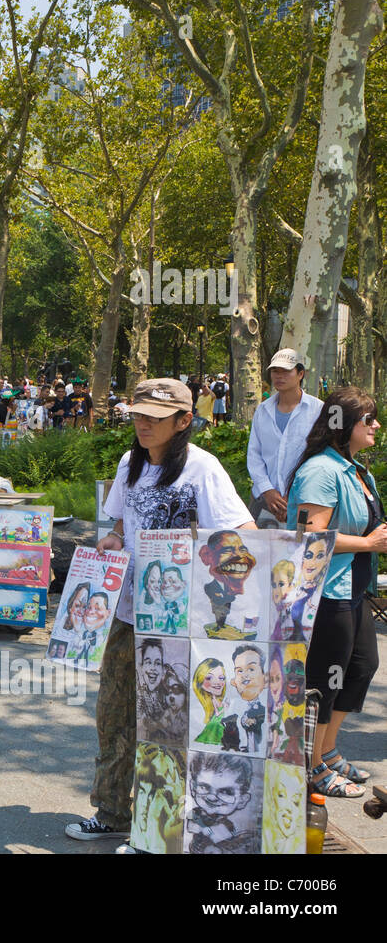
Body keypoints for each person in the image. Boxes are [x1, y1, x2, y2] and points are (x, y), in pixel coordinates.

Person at [66, 377, 254, 845]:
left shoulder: (202, 469)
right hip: (128, 613)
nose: (144, 424)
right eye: (138, 414)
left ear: (184, 420)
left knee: (167, 722)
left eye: (155, 416)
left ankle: (162, 825)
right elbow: (121, 521)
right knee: (113, 714)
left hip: (179, 625)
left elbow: (242, 534)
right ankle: (111, 812)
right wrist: (113, 538)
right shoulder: (130, 462)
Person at [285, 386, 386, 798]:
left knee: (361, 667)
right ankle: (311, 768)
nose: (376, 424)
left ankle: (326, 751)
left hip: (353, 589)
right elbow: (311, 537)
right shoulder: (321, 472)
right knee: (326, 680)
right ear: (343, 427)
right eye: (368, 419)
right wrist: (369, 544)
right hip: (325, 594)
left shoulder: (356, 469)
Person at [246, 349, 322, 529]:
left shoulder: (319, 410)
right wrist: (268, 490)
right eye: (275, 371)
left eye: (286, 371)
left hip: (304, 499)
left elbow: (319, 456)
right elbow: (254, 454)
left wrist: (293, 494)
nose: (279, 376)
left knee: (299, 552)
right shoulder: (263, 410)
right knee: (260, 553)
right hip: (263, 500)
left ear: (300, 374)